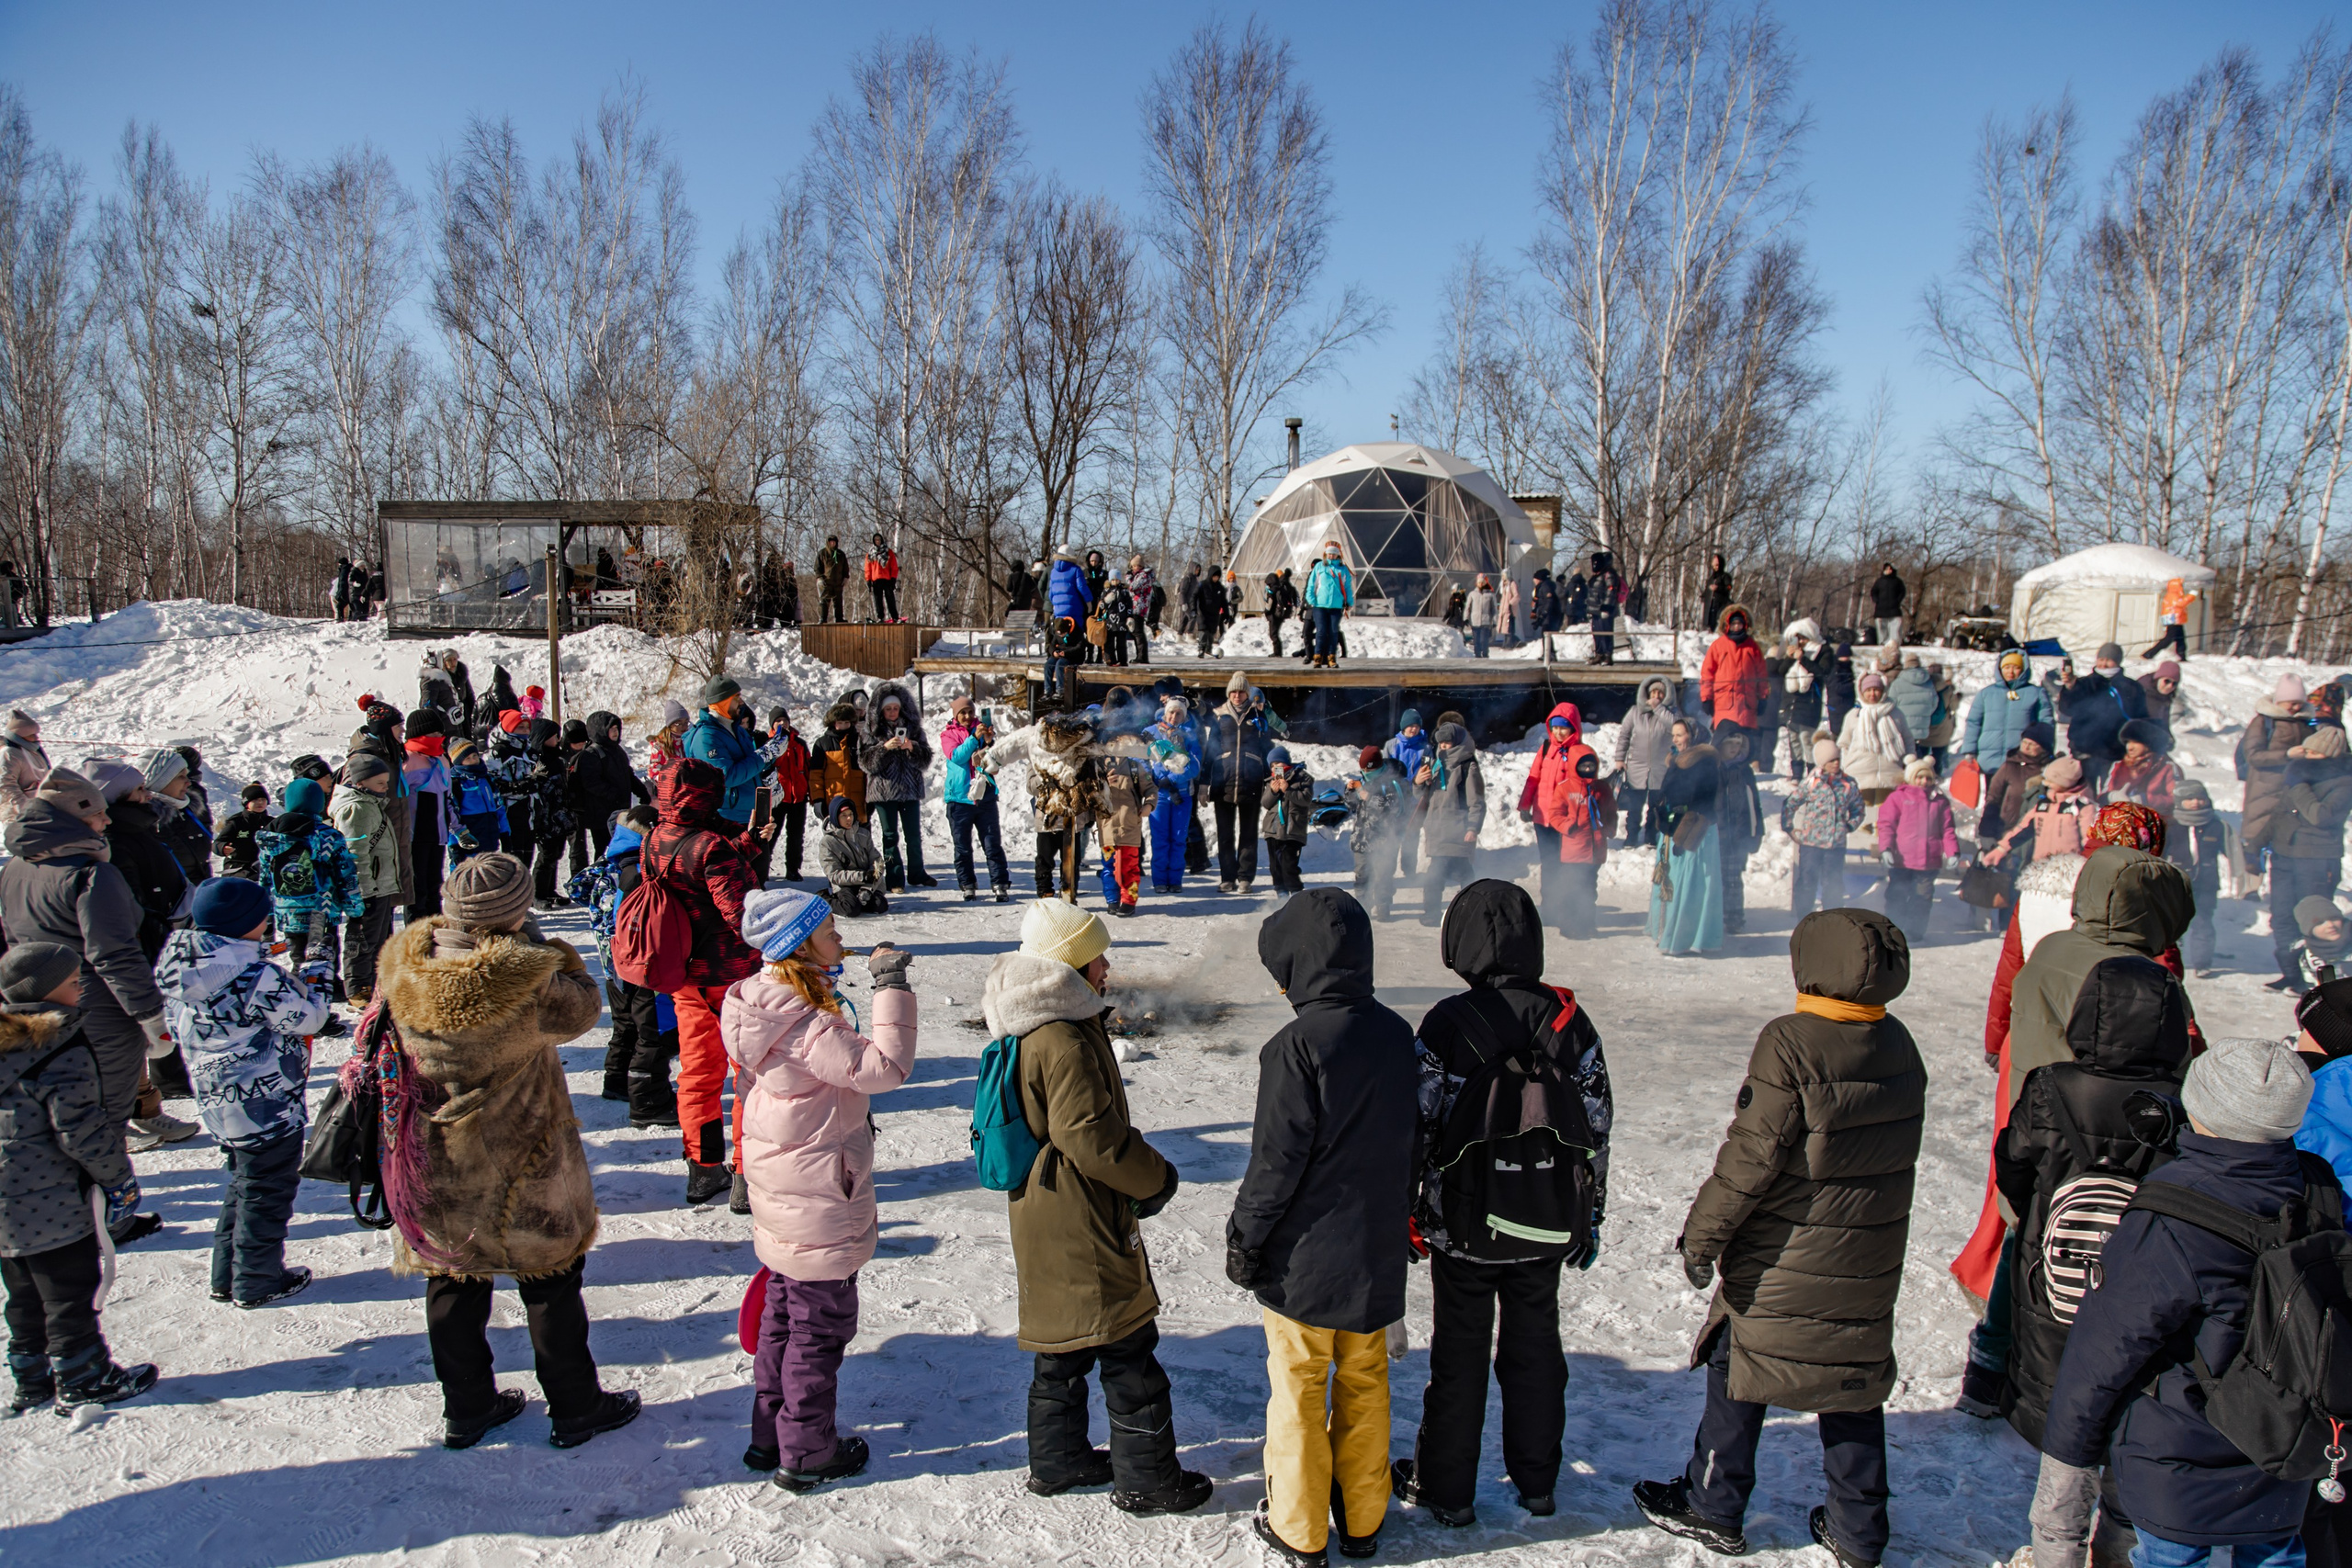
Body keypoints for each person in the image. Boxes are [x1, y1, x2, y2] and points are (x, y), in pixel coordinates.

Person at [1635, 909, 1921, 1563]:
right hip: (1865, 1256)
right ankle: (1859, 1530)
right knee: (1849, 1378)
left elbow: (1750, 1158)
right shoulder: (1900, 1043)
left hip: (1784, 1256)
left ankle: (1713, 1503)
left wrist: (1702, 1237)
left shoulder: (1792, 1041)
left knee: (1739, 1362)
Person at [376, 852, 641, 1451]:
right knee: (550, 1279)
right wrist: (545, 947)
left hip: (436, 1153)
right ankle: (576, 1405)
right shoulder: (522, 978)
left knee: (453, 1279)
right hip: (521, 1152)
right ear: (514, 912)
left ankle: (466, 1406)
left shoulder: (405, 965)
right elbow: (583, 1005)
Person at [2040, 1038, 2316, 1567]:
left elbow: (2105, 1351)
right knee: (2276, 1554)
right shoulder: (2317, 1189)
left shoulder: (2170, 1214)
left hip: (2180, 1449)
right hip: (2286, 1440)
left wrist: (2066, 1467)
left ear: (2202, 1104)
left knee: (2171, 1558)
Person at [1395, 880, 1611, 1531]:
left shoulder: (1446, 1023)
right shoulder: (1572, 1021)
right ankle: (1538, 1480)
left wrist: (1410, 1210)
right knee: (1536, 1343)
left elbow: (1418, 1125)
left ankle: (1448, 1488)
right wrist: (1588, 1218)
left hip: (1464, 1226)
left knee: (1458, 1354)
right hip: (1545, 1219)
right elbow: (1596, 1126)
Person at [982, 899, 1207, 1517]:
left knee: (1063, 1347)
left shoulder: (1037, 1017)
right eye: (1098, 955)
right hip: (1081, 1214)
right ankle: (1149, 1480)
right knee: (1129, 1348)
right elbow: (1091, 1137)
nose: (1108, 966)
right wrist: (1152, 1176)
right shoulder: (1062, 1036)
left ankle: (1058, 1462)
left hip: (1043, 1209)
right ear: (1073, 965)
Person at [1227, 889, 1416, 1563]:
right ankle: (1364, 1520)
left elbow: (1275, 1164)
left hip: (1305, 1260)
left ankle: (1299, 1528)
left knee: (1301, 1388)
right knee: (1366, 1381)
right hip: (1376, 1251)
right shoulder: (1399, 1034)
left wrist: (1245, 1239)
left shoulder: (1296, 1047)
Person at [1993, 956, 2188, 1567]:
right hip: (2145, 1292)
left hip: (2056, 1283)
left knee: (2068, 1422)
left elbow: (2014, 1165)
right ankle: (2116, 1546)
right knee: (2134, 1412)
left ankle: (2056, 1552)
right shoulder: (2182, 1102)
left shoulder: (2051, 1085)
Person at [728, 889, 917, 1492]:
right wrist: (890, 982)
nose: (841, 937)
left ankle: (769, 1434)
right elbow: (886, 1067)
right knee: (818, 1328)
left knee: (785, 1313)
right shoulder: (805, 1022)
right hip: (814, 1192)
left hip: (786, 1188)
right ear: (801, 946)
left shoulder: (762, 1002)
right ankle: (806, 1451)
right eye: (830, 930)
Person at [154, 878, 328, 1309]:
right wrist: (315, 978)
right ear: (244, 925)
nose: (268, 924)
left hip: (217, 1099)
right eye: (263, 919)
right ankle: (257, 1279)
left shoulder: (180, 964)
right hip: (264, 1102)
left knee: (243, 1183)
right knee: (266, 1191)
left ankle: (226, 1274)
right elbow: (309, 1020)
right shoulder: (254, 975)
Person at [0, 942, 155, 1415]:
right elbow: (82, 1130)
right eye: (72, 983)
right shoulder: (57, 1042)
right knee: (69, 1289)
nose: (81, 987)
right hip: (50, 1197)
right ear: (46, 992)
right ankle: (84, 1377)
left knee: (23, 1289)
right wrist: (118, 1181)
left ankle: (32, 1376)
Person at [642, 760, 767, 1206]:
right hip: (731, 976)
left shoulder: (654, 837)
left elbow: (692, 873)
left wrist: (744, 847)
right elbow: (740, 916)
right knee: (749, 1074)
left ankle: (704, 1168)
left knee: (698, 1073)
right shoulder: (712, 845)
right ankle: (746, 1173)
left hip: (685, 974)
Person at [2007, 844, 2195, 1112]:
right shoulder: (2143, 980)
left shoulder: (2051, 946)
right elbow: (2170, 1072)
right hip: (2096, 1131)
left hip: (2033, 1113)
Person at [567, 806, 676, 1125]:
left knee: (624, 1023)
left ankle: (615, 1080)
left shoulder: (613, 855)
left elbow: (579, 890)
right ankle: (638, 1091)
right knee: (642, 1027)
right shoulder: (635, 863)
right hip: (630, 959)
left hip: (611, 960)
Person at [1520, 703, 1614, 940]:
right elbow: (1533, 779)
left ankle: (1567, 910)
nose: (1560, 732)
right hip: (1543, 816)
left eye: (1565, 727)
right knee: (1549, 864)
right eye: (1556, 727)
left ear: (1574, 728)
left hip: (1567, 819)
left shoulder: (1579, 753)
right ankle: (1549, 909)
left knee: (1566, 866)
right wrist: (1525, 804)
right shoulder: (1545, 749)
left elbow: (1585, 783)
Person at [2270, 723, 2352, 988]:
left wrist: (2299, 787)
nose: (2306, 757)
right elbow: (2279, 814)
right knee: (2281, 915)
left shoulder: (2344, 782)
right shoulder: (2300, 775)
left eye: (2313, 753)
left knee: (2316, 920)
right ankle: (2292, 974)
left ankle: (2325, 981)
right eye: (2306, 751)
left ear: (2329, 756)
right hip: (2285, 854)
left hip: (2317, 860)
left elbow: (2320, 815)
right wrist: (2255, 845)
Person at [1645, 718, 1724, 956]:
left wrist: (1686, 832)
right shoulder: (1676, 762)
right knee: (1671, 880)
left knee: (1691, 883)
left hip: (1694, 833)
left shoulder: (1706, 762)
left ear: (1694, 735)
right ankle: (1666, 931)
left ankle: (1686, 937)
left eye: (1680, 734)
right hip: (1673, 829)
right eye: (1674, 735)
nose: (1676, 740)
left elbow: (1705, 802)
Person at [330, 756, 401, 1006]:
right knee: (361, 939)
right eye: (380, 782)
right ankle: (358, 987)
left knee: (379, 937)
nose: (385, 787)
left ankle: (374, 983)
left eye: (386, 782)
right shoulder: (356, 808)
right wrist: (363, 889)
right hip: (367, 890)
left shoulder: (370, 804)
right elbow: (354, 853)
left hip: (378, 885)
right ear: (361, 782)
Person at [860, 683, 935, 893]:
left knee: (913, 834)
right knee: (890, 835)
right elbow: (866, 763)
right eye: (888, 709)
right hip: (884, 793)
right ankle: (894, 880)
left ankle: (917, 873)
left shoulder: (914, 729)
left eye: (895, 708)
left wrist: (912, 747)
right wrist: (884, 748)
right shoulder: (871, 732)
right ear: (881, 711)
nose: (892, 712)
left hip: (910, 790)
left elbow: (926, 760)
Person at [2237, 673, 2312, 874]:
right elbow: (2254, 755)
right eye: (2291, 703)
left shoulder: (2308, 724)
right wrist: (2287, 754)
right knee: (2255, 840)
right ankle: (2251, 889)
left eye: (2300, 703)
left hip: (2294, 790)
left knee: (2286, 841)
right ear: (2280, 701)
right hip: (2264, 789)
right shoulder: (2263, 722)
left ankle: (2280, 888)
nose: (2296, 708)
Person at [1876, 755, 1957, 940]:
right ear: (1911, 778)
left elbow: (1947, 829)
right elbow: (1886, 824)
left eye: (1928, 778)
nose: (1924, 781)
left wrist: (1952, 852)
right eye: (1919, 777)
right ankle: (1893, 929)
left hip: (1929, 861)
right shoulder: (1898, 798)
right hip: (1902, 859)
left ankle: (1914, 932)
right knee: (1897, 896)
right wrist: (1886, 848)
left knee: (1922, 899)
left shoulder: (1939, 802)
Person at [1782, 739, 1864, 916]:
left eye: (1837, 759)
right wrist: (1789, 827)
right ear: (1822, 762)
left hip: (1835, 845)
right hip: (1811, 843)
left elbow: (1858, 810)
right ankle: (1803, 916)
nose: (1836, 763)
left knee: (1833, 883)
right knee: (1807, 881)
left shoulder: (1848, 784)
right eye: (1831, 760)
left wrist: (1848, 827)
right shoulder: (1812, 783)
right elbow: (1791, 803)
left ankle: (1831, 919)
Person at [1415, 722, 1485, 925]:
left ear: (1457, 742)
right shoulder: (1436, 764)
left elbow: (1476, 801)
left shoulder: (1467, 767)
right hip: (1437, 831)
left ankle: (1434, 914)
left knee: (1438, 877)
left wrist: (1473, 827)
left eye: (1447, 743)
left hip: (1457, 831)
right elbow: (1422, 797)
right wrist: (1419, 782)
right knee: (1461, 875)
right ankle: (1473, 911)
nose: (1443, 747)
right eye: (1441, 744)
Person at [1208, 675, 1272, 894]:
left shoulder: (1257, 715)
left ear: (1248, 693)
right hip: (1223, 781)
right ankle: (1227, 878)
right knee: (1225, 834)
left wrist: (1268, 779)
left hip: (1251, 781)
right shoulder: (1219, 716)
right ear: (1228, 694)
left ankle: (1245, 878)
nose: (1237, 696)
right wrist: (1203, 784)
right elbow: (1210, 750)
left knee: (1248, 833)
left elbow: (1267, 748)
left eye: (1241, 692)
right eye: (1233, 692)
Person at [2166, 781, 2238, 975]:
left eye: (2200, 798)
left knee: (2203, 921)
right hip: (2176, 883)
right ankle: (2171, 960)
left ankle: (2202, 963)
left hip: (2206, 883)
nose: (2196, 803)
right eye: (2190, 799)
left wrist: (2245, 867)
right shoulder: (2171, 825)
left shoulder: (2215, 825)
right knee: (2173, 923)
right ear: (2180, 801)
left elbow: (2233, 852)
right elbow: (2159, 853)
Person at [684, 677, 767, 831]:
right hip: (727, 820)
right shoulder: (706, 737)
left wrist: (770, 761)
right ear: (723, 702)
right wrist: (763, 756)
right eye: (737, 698)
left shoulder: (738, 730)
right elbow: (726, 777)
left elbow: (751, 762)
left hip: (753, 815)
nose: (741, 703)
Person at [945, 711, 1011, 903]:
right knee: (962, 847)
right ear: (955, 716)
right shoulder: (948, 734)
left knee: (992, 844)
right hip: (959, 799)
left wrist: (989, 743)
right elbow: (957, 756)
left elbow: (995, 764)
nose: (966, 716)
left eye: (969, 712)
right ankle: (968, 885)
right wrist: (975, 739)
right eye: (962, 713)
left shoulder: (982, 731)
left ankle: (1000, 884)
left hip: (985, 797)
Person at [2061, 643, 2148, 785]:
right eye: (2101, 659)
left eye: (2109, 660)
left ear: (2118, 661)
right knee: (2086, 791)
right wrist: (2070, 688)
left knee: (2111, 790)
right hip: (2085, 748)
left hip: (2115, 750)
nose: (2104, 664)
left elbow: (2140, 716)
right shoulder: (2084, 684)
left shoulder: (2132, 687)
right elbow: (2067, 709)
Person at [1837, 671, 1914, 820]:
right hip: (1859, 776)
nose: (1873, 694)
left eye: (1876, 689)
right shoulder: (1854, 715)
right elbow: (1843, 744)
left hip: (1890, 776)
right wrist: (1846, 765)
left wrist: (1909, 763)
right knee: (1861, 817)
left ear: (1883, 691)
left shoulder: (1895, 714)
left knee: (1886, 818)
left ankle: (1882, 844)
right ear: (1862, 691)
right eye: (1869, 690)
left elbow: (1908, 740)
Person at [1345, 746, 1410, 919]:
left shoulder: (1392, 782)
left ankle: (1383, 905)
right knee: (1362, 874)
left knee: (1383, 874)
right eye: (1363, 769)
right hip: (1362, 837)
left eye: (1368, 769)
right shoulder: (1363, 781)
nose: (1365, 772)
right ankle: (1363, 907)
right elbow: (1351, 806)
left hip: (1384, 838)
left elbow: (1394, 807)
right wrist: (1350, 792)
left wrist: (1369, 798)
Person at [1093, 736, 1156, 917]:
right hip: (1107, 826)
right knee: (1108, 867)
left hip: (1129, 824)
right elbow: (1086, 790)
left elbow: (1151, 788)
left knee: (1128, 867)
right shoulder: (1097, 765)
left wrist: (1149, 805)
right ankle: (1112, 900)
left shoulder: (1135, 767)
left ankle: (1129, 901)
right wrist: (1102, 783)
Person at [1613, 676, 1679, 848]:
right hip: (1637, 767)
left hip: (1661, 768)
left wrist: (1659, 709)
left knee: (1656, 807)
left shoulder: (1671, 713)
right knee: (1634, 806)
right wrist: (1620, 758)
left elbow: (1675, 727)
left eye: (1660, 693)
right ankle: (1631, 837)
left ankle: (1651, 836)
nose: (1656, 696)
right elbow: (1624, 735)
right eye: (1653, 693)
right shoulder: (1635, 712)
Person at [1713, 729, 1766, 936]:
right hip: (1716, 833)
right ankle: (1714, 915)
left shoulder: (1745, 771)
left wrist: (1757, 831)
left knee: (1734, 878)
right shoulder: (1713, 769)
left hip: (1739, 834)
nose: (1734, 748)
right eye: (1730, 743)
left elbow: (1755, 804)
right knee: (1716, 878)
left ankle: (1734, 918)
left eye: (1738, 743)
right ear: (1720, 745)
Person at [1697, 604, 1769, 755]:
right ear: (1727, 625)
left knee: (1745, 744)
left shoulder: (1752, 647)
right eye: (1734, 623)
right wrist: (1706, 698)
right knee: (1722, 742)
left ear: (1745, 625)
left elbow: (1762, 674)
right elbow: (1707, 674)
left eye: (1740, 624)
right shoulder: (1718, 646)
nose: (1737, 627)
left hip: (1747, 705)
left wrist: (1763, 697)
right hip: (1724, 704)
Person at [1145, 701, 1197, 897]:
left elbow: (1195, 765)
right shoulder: (1150, 732)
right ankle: (1159, 880)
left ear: (1184, 716)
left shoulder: (1189, 735)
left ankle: (1175, 880)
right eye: (1171, 713)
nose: (1174, 717)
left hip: (1181, 795)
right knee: (1159, 839)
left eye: (1179, 714)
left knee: (1178, 839)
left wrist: (1172, 778)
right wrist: (1151, 779)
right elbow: (1140, 758)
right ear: (1165, 713)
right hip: (1158, 795)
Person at [1770, 624, 1827, 779]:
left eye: (1802, 637)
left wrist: (1802, 659)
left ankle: (1812, 774)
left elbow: (1822, 672)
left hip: (1810, 702)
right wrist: (1789, 658)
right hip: (1791, 701)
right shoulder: (1794, 652)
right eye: (1797, 638)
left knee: (1806, 738)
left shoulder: (1822, 651)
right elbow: (1782, 671)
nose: (1800, 641)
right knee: (1793, 738)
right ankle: (1796, 774)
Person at [444, 738, 510, 868]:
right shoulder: (455, 783)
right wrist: (453, 846)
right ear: (458, 761)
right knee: (466, 882)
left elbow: (499, 808)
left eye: (475, 756)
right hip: (468, 844)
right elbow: (450, 816)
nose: (473, 760)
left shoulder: (487, 779)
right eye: (468, 758)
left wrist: (505, 834)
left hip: (490, 841)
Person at [1259, 747, 1313, 906]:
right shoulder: (1270, 781)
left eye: (1279, 762)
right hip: (1273, 830)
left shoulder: (1302, 777)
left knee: (1289, 865)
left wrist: (1287, 789)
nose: (1276, 767)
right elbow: (1265, 803)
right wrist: (1274, 791)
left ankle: (1296, 897)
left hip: (1292, 830)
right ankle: (1281, 897)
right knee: (1275, 867)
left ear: (1286, 762)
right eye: (1272, 764)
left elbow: (1305, 800)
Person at [820, 796, 887, 916]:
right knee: (850, 909)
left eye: (850, 814)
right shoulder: (828, 842)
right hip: (845, 885)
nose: (849, 818)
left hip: (867, 883)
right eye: (844, 815)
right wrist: (863, 876)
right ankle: (823, 899)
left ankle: (860, 899)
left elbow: (878, 861)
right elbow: (834, 875)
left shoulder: (863, 834)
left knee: (880, 905)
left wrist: (867, 887)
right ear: (836, 818)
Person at [2105, 719, 2180, 818]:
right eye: (2128, 742)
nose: (2129, 747)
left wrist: (2144, 800)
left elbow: (2177, 799)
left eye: (2135, 742)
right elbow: (2102, 795)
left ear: (2149, 744)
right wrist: (2113, 796)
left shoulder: (2167, 767)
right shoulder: (2119, 766)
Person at [1302, 540, 1353, 668]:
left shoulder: (1343, 569)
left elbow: (1347, 587)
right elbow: (1311, 584)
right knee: (1321, 631)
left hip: (1336, 606)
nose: (1331, 556)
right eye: (1329, 554)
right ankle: (1318, 657)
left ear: (1338, 555)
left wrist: (1349, 602)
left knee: (1333, 631)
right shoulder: (1320, 566)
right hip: (1320, 605)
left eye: (1333, 554)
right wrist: (1311, 599)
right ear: (1326, 554)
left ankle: (1332, 658)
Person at [1885, 652, 1939, 761]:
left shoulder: (1897, 683)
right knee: (1921, 762)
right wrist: (1925, 714)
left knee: (1907, 762)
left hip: (1903, 730)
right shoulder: (1928, 683)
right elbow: (1934, 703)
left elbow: (1891, 705)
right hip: (1923, 731)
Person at [0, 710, 50, 823]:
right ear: (19, 736)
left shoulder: (33, 751)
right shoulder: (10, 753)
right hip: (19, 815)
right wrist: (25, 808)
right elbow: (6, 785)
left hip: (38, 810)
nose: (36, 737)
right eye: (31, 735)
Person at [215, 783, 273, 878]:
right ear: (246, 803)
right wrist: (222, 848)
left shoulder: (271, 822)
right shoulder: (237, 822)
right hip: (238, 868)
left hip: (262, 868)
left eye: (263, 799)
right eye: (255, 800)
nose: (260, 802)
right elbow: (218, 842)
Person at [2142, 576, 2198, 660]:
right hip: (2173, 620)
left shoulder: (2175, 594)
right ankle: (2149, 654)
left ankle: (2182, 656)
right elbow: (2181, 603)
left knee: (2180, 639)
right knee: (2169, 639)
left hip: (2176, 620)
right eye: (2181, 585)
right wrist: (2192, 595)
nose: (2182, 587)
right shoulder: (2172, 595)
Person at [2138, 660, 2183, 741]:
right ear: (2158, 678)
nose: (2170, 686)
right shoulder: (2140, 691)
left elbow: (2163, 722)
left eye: (2174, 683)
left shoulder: (2166, 698)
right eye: (2167, 681)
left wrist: (2168, 738)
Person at [1190, 568, 1228, 657]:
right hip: (1203, 612)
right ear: (1210, 575)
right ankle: (1201, 649)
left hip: (1214, 613)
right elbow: (1194, 596)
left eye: (1217, 577)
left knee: (1211, 631)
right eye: (1214, 576)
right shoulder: (1202, 585)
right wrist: (1193, 609)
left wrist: (1226, 614)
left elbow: (1224, 602)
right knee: (1203, 630)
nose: (1216, 578)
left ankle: (1208, 648)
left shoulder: (1220, 588)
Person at [863, 532, 900, 623]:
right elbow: (867, 568)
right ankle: (880, 617)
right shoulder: (871, 553)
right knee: (877, 600)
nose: (878, 541)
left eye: (879, 539)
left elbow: (894, 566)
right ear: (873, 541)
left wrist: (893, 578)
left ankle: (894, 616)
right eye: (876, 540)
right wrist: (868, 579)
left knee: (890, 598)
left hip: (887, 579)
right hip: (876, 579)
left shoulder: (888, 552)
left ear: (881, 540)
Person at [1868, 560, 1905, 648]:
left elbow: (1902, 592)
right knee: (1881, 627)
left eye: (1890, 569)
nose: (1889, 571)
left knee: (1895, 627)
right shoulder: (1879, 581)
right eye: (1887, 569)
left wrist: (1897, 601)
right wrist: (1876, 600)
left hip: (1894, 608)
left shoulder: (1897, 581)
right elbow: (1873, 592)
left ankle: (1895, 643)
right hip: (1881, 609)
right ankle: (1882, 643)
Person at [814, 536, 850, 624]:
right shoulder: (822, 553)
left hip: (838, 582)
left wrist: (846, 577)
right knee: (824, 602)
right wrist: (819, 578)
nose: (832, 543)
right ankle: (823, 619)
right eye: (831, 542)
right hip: (826, 582)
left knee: (838, 602)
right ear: (828, 542)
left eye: (834, 542)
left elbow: (845, 567)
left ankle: (839, 619)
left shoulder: (841, 554)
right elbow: (817, 567)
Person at [1464, 574, 1498, 659]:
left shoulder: (1490, 595)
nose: (1481, 584)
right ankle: (1477, 655)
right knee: (1476, 640)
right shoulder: (1472, 594)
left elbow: (1494, 609)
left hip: (1485, 621)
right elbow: (1467, 607)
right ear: (1477, 583)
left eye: (1482, 582)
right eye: (1479, 583)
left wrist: (1494, 621)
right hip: (1475, 620)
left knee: (1484, 640)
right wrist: (1466, 618)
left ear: (1485, 583)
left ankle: (1485, 654)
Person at [1702, 552, 1734, 631]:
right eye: (1714, 565)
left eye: (1718, 565)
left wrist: (1718, 588)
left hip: (1721, 604)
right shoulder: (1711, 578)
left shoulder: (1725, 576)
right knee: (1710, 623)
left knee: (1719, 622)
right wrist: (1703, 596)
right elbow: (1707, 590)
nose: (1716, 567)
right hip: (1710, 604)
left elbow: (1729, 587)